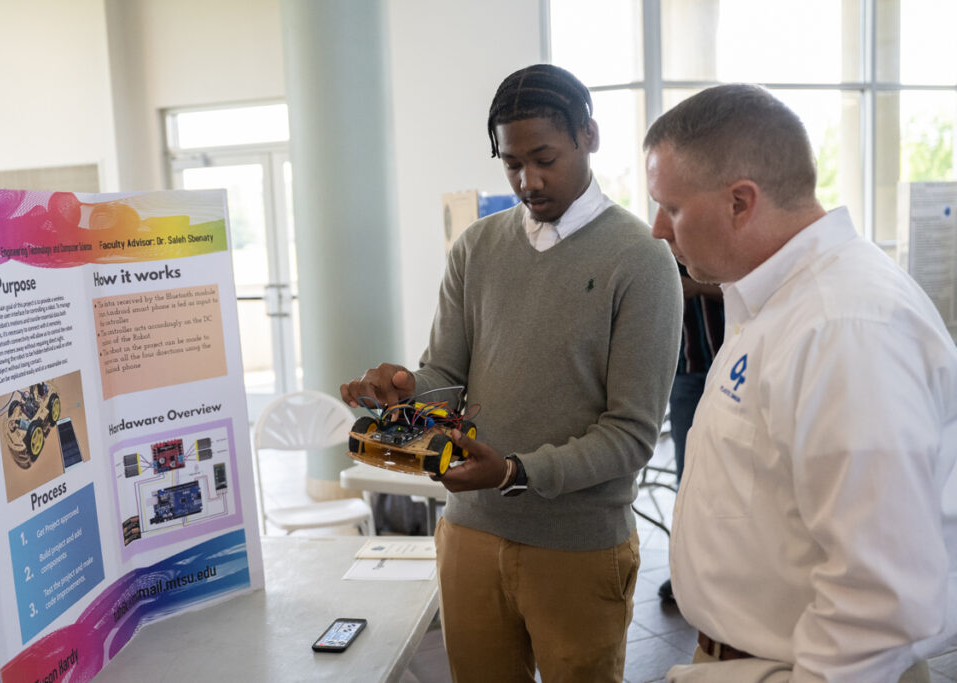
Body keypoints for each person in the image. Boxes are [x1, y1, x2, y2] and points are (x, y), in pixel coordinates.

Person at [341, 64, 682, 682]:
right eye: (511, 163)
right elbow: (446, 372)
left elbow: (632, 435)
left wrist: (517, 473)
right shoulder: (476, 247)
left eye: (544, 157)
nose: (528, 180)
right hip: (469, 532)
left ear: (590, 135)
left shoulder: (641, 259)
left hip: (578, 545)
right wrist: (405, 390)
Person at [644, 83, 957, 682]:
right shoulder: (771, 298)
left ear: (741, 202)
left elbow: (880, 594)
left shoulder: (845, 326)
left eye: (672, 208)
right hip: (742, 657)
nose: (658, 229)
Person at [658, 265, 724, 602]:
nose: (662, 228)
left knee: (730, 474)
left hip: (729, 368)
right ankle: (685, 571)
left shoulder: (721, 252)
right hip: (685, 375)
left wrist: (698, 288)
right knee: (688, 477)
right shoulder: (660, 255)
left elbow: (743, 292)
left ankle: (724, 568)